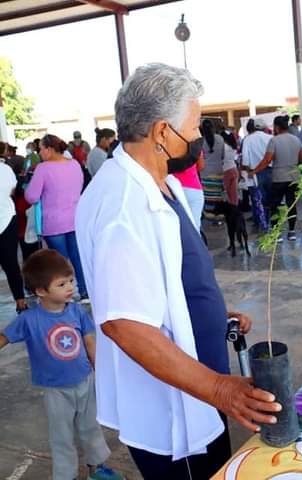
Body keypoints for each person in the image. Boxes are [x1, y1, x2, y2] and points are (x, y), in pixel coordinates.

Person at [75, 63, 281, 479]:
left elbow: (161, 278)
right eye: (192, 128)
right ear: (162, 132)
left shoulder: (156, 183)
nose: (197, 139)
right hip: (174, 405)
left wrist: (207, 315)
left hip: (199, 381)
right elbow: (124, 323)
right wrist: (222, 389)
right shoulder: (123, 205)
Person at [0, 250, 122, 480]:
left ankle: (97, 469)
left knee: (91, 429)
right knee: (61, 435)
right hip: (55, 389)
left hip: (85, 381)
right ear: (41, 291)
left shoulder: (76, 311)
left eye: (71, 281)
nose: (70, 287)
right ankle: (65, 476)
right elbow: (4, 337)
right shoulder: (28, 319)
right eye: (62, 284)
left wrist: (99, 369)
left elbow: (89, 341)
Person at [25, 134, 88, 302]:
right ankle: (84, 291)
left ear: (49, 149)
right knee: (77, 256)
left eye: (41, 149)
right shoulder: (74, 164)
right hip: (75, 218)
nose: (40, 152)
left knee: (59, 261)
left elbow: (31, 196)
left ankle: (65, 293)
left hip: (54, 222)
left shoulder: (43, 168)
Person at [252, 115, 302, 242]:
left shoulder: (274, 141)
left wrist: (254, 171)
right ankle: (292, 232)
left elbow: (267, 160)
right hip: (293, 177)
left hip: (278, 178)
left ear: (276, 127)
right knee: (291, 204)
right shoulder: (296, 140)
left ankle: (277, 234)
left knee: (275, 205)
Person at [0, 160, 26, 312]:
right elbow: (12, 190)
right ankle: (20, 302)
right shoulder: (5, 169)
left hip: (6, 219)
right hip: (6, 219)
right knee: (11, 264)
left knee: (11, 264)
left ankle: (20, 301)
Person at [241, 117, 273, 229]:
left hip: (254, 173)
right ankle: (271, 222)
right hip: (270, 171)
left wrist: (246, 170)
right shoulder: (270, 137)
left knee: (257, 199)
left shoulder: (248, 139)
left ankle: (260, 222)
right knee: (270, 198)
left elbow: (245, 159)